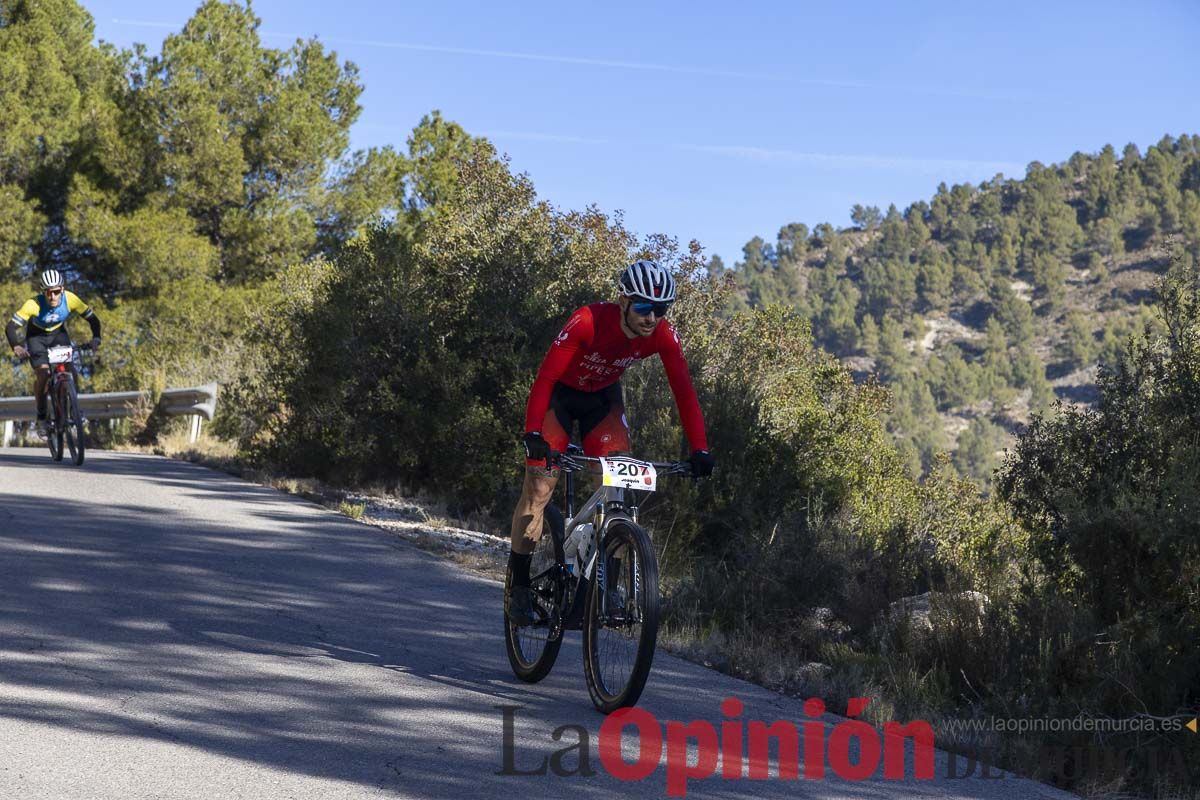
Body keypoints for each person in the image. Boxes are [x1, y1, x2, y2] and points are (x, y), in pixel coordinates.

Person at [507, 259, 714, 625]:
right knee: (539, 491)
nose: (652, 318)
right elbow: (545, 377)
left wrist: (699, 449)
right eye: (644, 307)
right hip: (559, 397)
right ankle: (519, 586)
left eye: (660, 309)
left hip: (601, 400)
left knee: (620, 483)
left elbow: (684, 391)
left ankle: (606, 589)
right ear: (623, 301)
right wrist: (533, 433)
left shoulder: (662, 335)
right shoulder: (587, 320)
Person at [6, 269, 102, 429]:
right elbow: (10, 326)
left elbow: (92, 319)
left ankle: (74, 409)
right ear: (43, 292)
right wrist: (16, 345)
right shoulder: (33, 304)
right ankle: (42, 415)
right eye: (48, 293)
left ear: (62, 289)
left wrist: (96, 338)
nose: (53, 297)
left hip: (58, 334)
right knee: (43, 374)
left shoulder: (71, 299)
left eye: (56, 292)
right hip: (36, 337)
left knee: (70, 367)